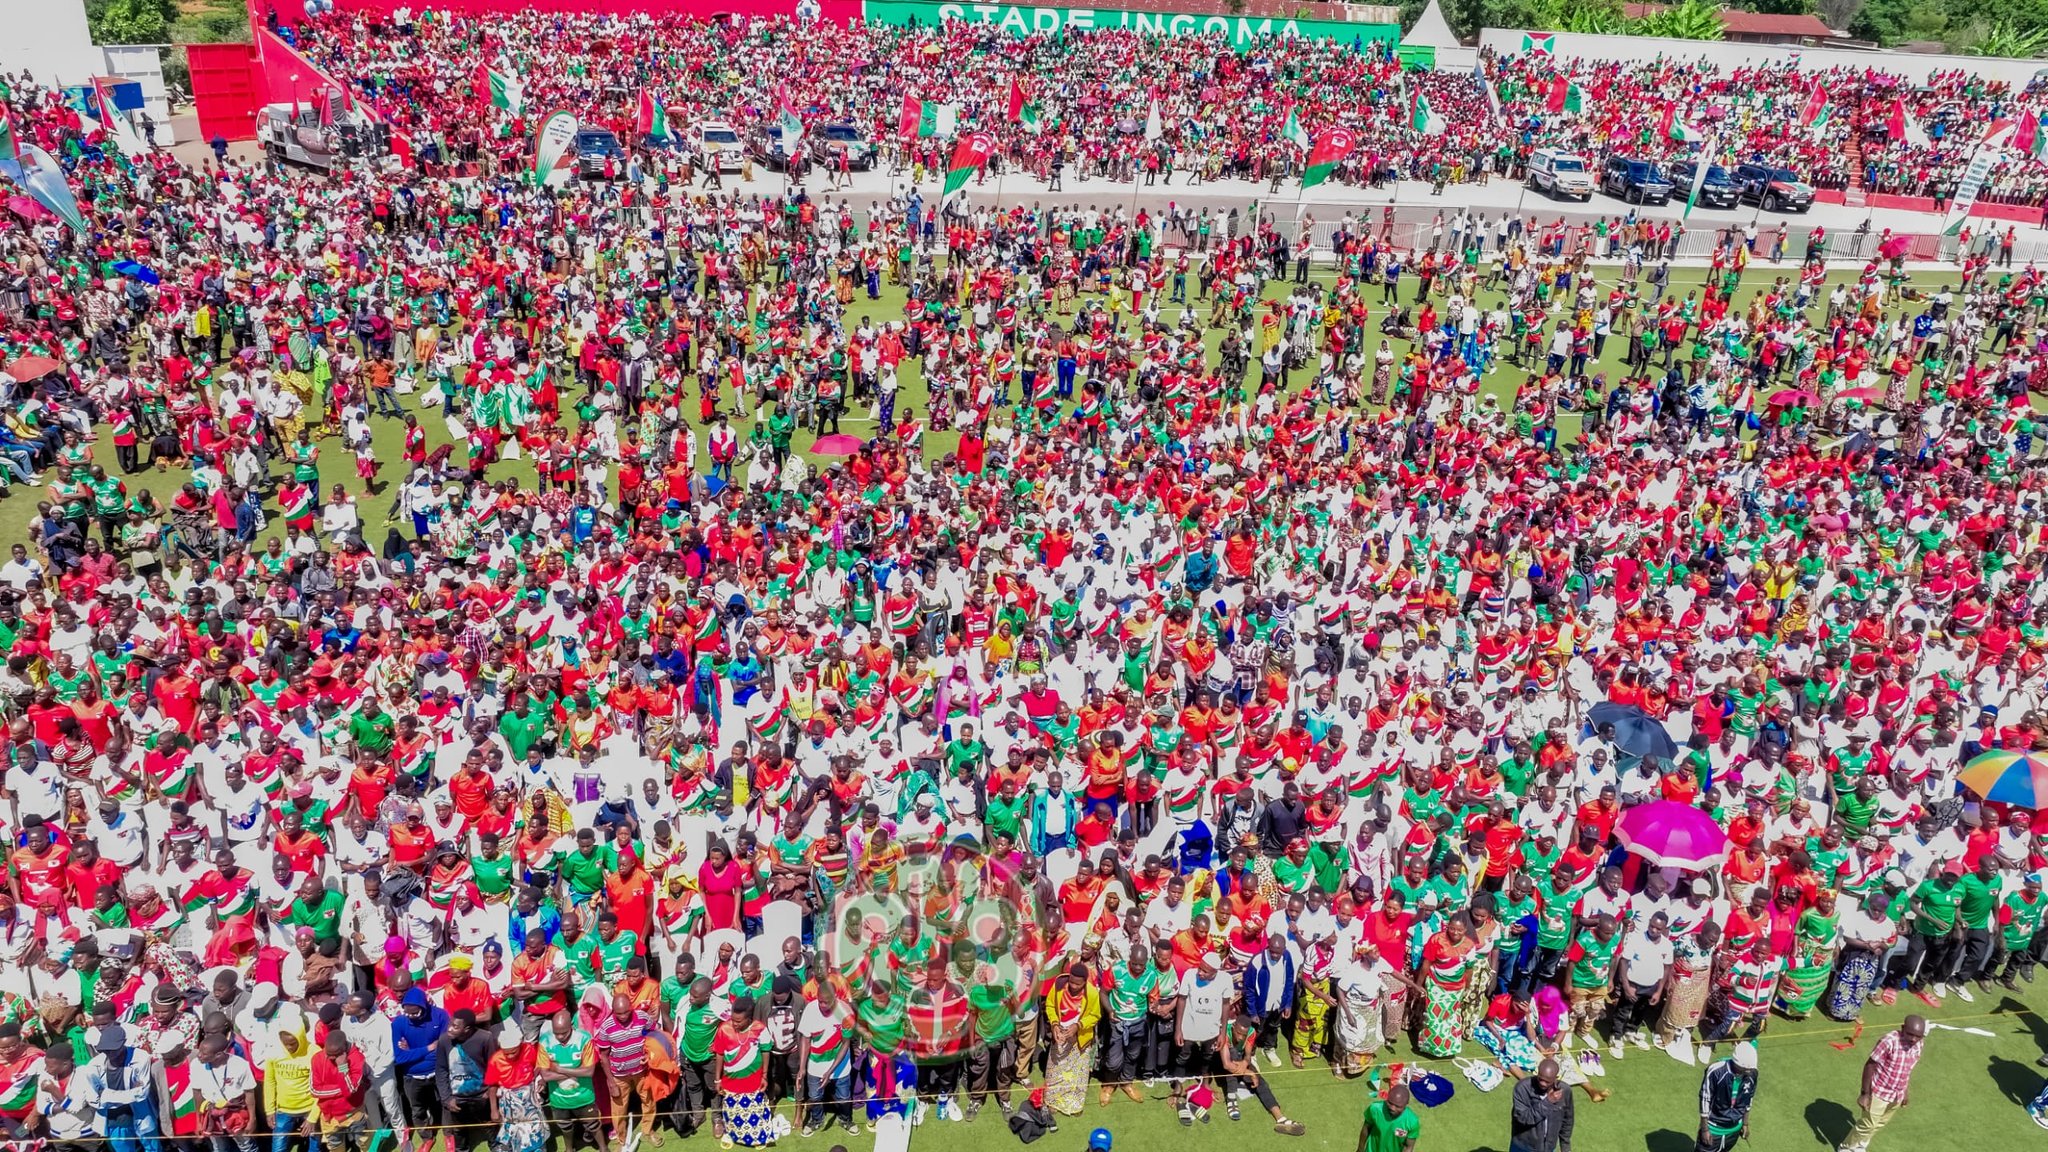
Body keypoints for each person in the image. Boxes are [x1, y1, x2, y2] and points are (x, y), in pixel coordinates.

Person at [1841, 1016, 1926, 1152]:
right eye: (1910, 1034)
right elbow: (1870, 1065)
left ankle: (1861, 1144)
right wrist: (1865, 1094)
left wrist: (1905, 1091)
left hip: (1896, 1095)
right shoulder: (1889, 1041)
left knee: (1880, 1123)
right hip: (1878, 1092)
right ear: (1903, 1028)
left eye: (1918, 1036)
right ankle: (1846, 1148)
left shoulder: (1919, 1045)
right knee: (1867, 1125)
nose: (1913, 1039)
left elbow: (1907, 1069)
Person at [1696, 1041, 1759, 1152]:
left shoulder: (1752, 1073)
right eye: (1746, 1069)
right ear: (1737, 1064)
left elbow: (1749, 1098)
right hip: (1713, 1130)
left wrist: (1745, 1123)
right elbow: (1705, 1098)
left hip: (1733, 1130)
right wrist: (1705, 1129)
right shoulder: (1716, 1071)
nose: (1749, 1071)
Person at [1509, 1057, 1574, 1152]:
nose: (1543, 1083)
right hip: (1523, 1147)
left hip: (1548, 1148)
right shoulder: (1523, 1088)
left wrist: (1565, 1147)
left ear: (1556, 1078)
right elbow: (1523, 1118)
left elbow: (1567, 1119)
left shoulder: (1564, 1091)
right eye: (1540, 1079)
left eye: (1547, 1081)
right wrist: (1548, 1102)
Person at [1357, 1082, 1418, 1152]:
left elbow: (1408, 1147)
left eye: (1397, 1106)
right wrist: (1360, 1149)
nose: (1392, 1108)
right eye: (1390, 1103)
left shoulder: (1412, 1122)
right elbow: (1366, 1128)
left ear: (1406, 1104)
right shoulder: (1375, 1109)